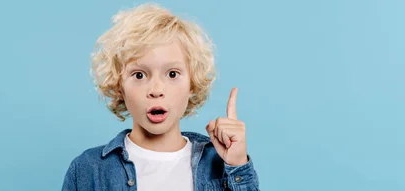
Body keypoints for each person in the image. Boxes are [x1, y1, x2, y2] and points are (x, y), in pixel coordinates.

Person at [61, 3, 260, 191]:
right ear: (119, 85)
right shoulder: (88, 170)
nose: (156, 90)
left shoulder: (220, 165)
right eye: (139, 75)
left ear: (192, 82)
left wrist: (238, 165)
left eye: (172, 74)